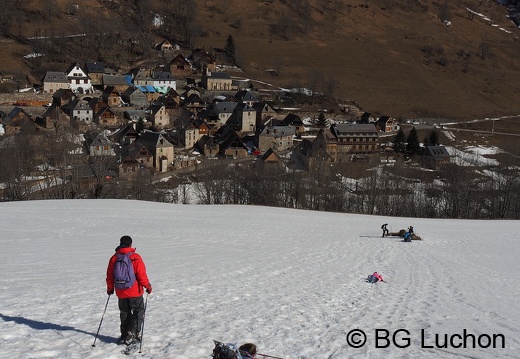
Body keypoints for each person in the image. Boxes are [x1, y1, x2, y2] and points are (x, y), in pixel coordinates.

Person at [106, 235, 152, 345]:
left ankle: (124, 334)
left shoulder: (114, 258)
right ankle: (133, 333)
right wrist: (147, 286)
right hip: (134, 291)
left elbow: (110, 275)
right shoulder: (135, 257)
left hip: (121, 291)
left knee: (124, 312)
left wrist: (110, 288)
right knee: (138, 311)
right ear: (130, 244)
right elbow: (141, 274)